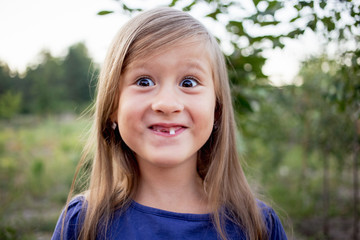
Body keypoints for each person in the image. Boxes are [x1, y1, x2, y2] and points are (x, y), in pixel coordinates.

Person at [52, 7, 287, 240]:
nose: (167, 104)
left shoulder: (257, 226)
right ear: (114, 107)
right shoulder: (83, 222)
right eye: (144, 82)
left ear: (216, 108)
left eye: (188, 82)